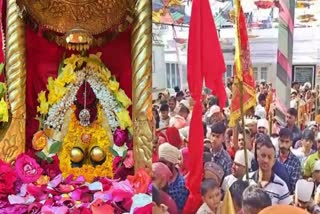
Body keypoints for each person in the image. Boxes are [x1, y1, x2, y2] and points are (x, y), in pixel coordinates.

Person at [248, 140, 291, 205]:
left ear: (273, 161)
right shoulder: (247, 179)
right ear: (257, 157)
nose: (266, 160)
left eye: (269, 157)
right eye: (263, 155)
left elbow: (286, 211)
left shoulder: (281, 186)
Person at [158, 143, 189, 211]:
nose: (161, 165)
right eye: (159, 162)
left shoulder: (181, 185)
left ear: (172, 163)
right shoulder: (158, 177)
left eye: (164, 163)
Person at [277, 128, 301, 193]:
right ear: (278, 140)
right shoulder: (272, 157)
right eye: (282, 141)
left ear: (291, 143)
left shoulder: (295, 162)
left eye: (287, 142)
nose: (284, 145)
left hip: (287, 195)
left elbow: (294, 186)